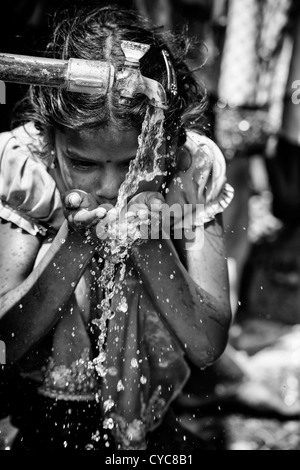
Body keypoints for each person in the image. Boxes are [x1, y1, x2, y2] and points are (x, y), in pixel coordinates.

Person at [0, 5, 233, 451]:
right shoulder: (25, 167)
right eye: (83, 164)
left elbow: (206, 344)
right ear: (50, 140)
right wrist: (70, 246)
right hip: (34, 412)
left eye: (132, 163)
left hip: (153, 410)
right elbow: (6, 343)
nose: (111, 188)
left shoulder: (190, 169)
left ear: (165, 142)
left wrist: (153, 243)